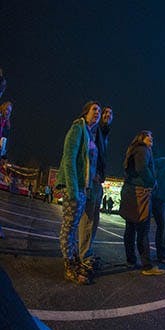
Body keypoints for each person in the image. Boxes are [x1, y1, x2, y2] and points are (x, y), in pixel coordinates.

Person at [55, 101, 102, 285]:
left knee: (73, 227)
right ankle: (68, 266)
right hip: (72, 187)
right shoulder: (77, 128)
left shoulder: (90, 134)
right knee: (69, 227)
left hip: (82, 189)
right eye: (94, 109)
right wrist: (73, 189)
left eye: (99, 110)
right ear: (86, 112)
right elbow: (69, 159)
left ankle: (73, 261)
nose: (97, 112)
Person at [121, 130, 165, 276]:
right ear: (141, 138)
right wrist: (153, 182)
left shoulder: (134, 149)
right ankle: (147, 265)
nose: (151, 139)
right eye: (149, 136)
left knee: (130, 228)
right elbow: (142, 169)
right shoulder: (143, 149)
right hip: (140, 192)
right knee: (143, 229)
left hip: (130, 190)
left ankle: (131, 259)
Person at [78, 105, 113, 272]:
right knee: (88, 218)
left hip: (98, 179)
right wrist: (93, 173)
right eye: (103, 112)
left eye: (109, 114)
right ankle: (83, 254)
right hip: (92, 178)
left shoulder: (104, 134)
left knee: (94, 218)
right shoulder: (93, 129)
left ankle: (86, 252)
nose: (106, 115)